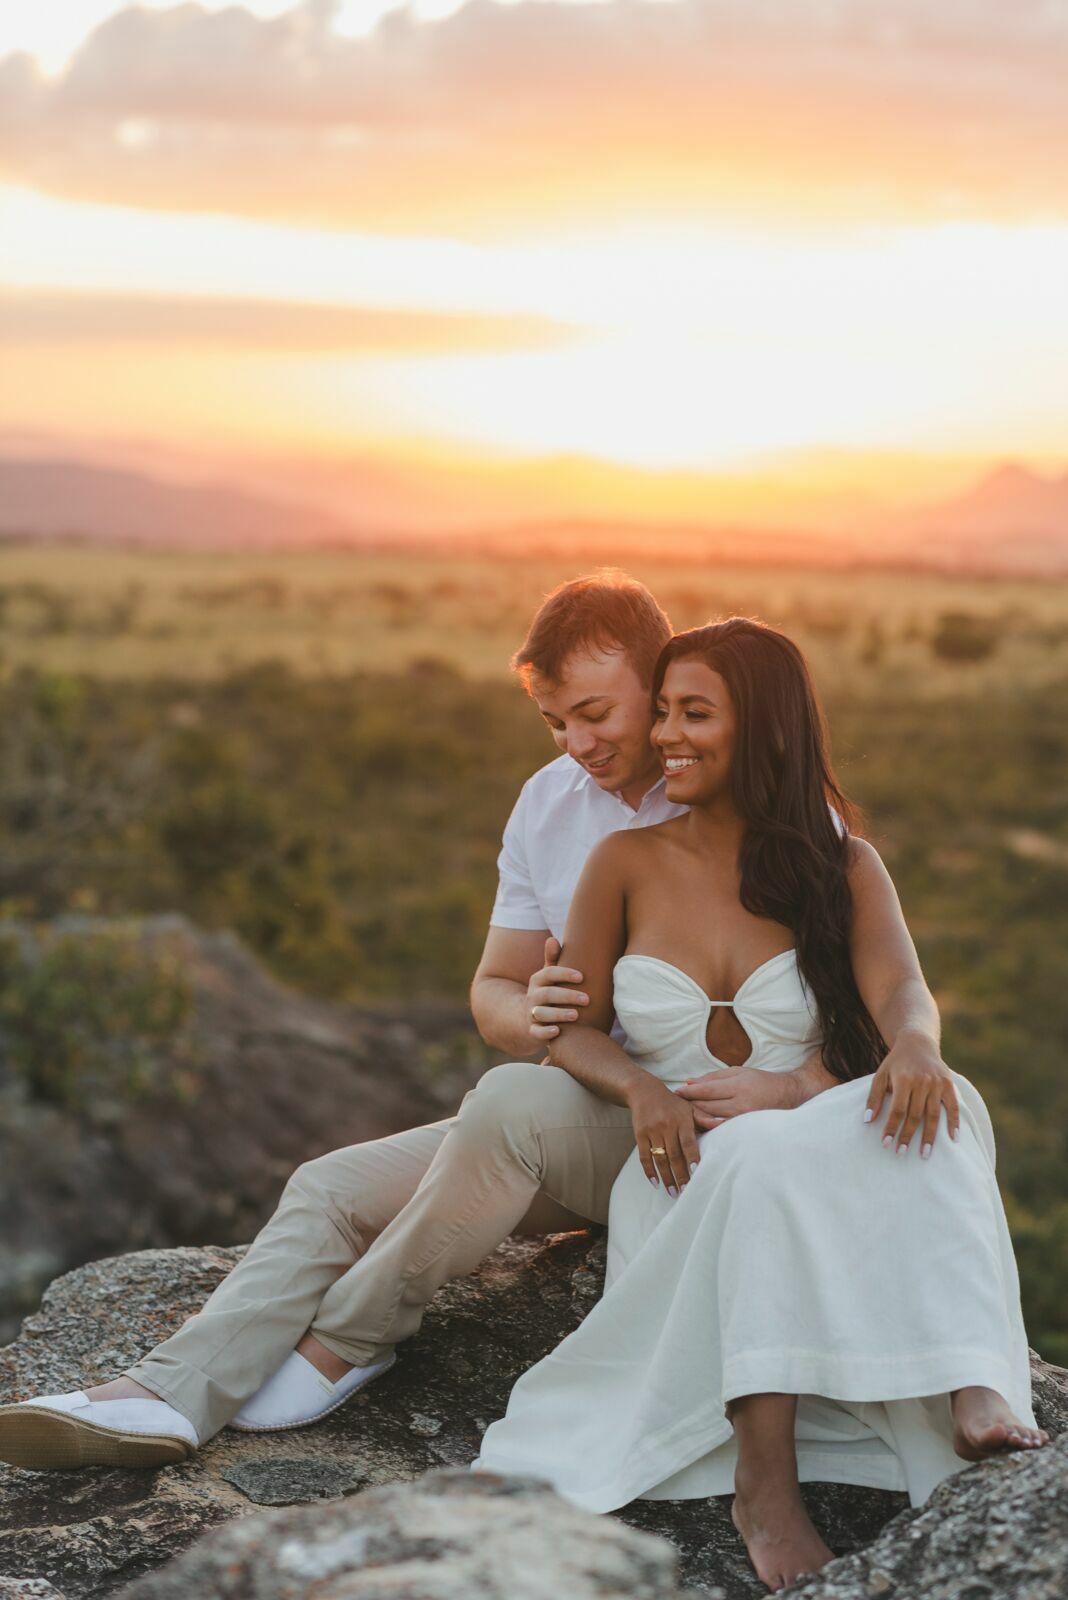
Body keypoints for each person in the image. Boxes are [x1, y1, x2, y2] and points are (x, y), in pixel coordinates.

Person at [0, 574, 836, 1472]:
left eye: (596, 714)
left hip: (698, 1132)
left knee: (510, 1104)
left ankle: (348, 1341)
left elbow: (840, 1009)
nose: (578, 744)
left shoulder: (752, 807)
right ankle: (166, 1396)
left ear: (660, 683)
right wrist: (534, 1012)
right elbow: (494, 992)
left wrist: (795, 1085)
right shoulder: (547, 805)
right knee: (329, 1188)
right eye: (555, 722)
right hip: (569, 1119)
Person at [474, 618, 1046, 1594]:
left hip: (811, 1141)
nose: (666, 735)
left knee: (947, 1100)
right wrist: (642, 1088)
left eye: (693, 714)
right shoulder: (623, 862)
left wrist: (912, 1045)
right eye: (662, 711)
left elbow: (901, 990)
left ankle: (973, 1378)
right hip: (691, 1164)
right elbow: (569, 1029)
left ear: (766, 730)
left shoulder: (842, 864)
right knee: (757, 1151)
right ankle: (764, 1486)